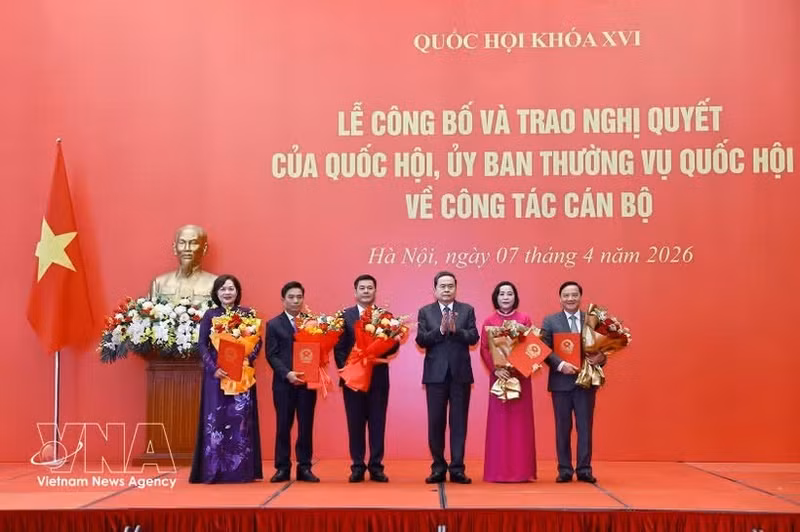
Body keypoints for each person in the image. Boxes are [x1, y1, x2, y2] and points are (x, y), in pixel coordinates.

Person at [189, 274, 263, 483]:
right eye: (223, 289)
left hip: (242, 376)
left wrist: (247, 359)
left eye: (231, 288)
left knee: (241, 420)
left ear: (237, 292)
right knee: (217, 420)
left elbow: (257, 342)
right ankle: (215, 471)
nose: (227, 292)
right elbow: (202, 345)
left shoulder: (247, 314)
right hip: (217, 377)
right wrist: (213, 368)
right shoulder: (210, 315)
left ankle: (240, 471)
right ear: (216, 293)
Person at [333, 274, 398, 483]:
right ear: (355, 292)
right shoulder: (345, 316)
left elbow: (392, 347)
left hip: (378, 378)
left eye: (370, 288)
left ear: (375, 291)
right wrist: (348, 369)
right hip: (352, 379)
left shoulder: (385, 316)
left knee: (378, 422)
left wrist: (392, 340)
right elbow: (338, 348)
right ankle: (358, 466)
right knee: (355, 423)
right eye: (362, 288)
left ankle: (376, 467)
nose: (366, 291)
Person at [416, 271, 479, 484]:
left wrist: (456, 331)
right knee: (436, 422)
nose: (446, 289)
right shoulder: (425, 311)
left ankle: (457, 468)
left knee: (459, 423)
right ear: (435, 289)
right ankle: (438, 467)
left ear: (456, 288)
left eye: (450, 286)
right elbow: (421, 340)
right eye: (442, 286)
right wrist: (441, 330)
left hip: (460, 375)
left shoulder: (467, 310)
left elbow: (474, 337)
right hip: (435, 376)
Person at [541, 281, 606, 484]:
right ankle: (565, 470)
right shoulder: (550, 321)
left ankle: (584, 469)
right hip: (561, 383)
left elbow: (603, 347)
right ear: (560, 299)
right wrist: (561, 365)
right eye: (566, 295)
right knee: (563, 428)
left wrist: (601, 357)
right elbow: (544, 349)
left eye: (574, 295)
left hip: (586, 383)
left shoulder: (592, 320)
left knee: (585, 427)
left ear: (580, 297)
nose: (570, 298)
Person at [479, 281, 537, 482]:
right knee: (499, 424)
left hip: (520, 377)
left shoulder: (524, 319)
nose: (505, 297)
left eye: (509, 293)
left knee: (521, 425)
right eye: (502, 293)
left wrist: (517, 367)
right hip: (499, 378)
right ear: (496, 297)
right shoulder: (489, 321)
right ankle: (497, 471)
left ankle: (522, 471)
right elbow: (484, 348)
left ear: (515, 297)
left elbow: (531, 346)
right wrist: (497, 369)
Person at [266, 281, 319, 482]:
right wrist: (287, 373)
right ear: (283, 300)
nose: (296, 301)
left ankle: (305, 467)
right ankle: (282, 468)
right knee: (283, 426)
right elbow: (271, 355)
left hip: (307, 383)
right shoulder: (273, 324)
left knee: (306, 426)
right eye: (291, 297)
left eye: (299, 297)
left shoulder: (312, 323)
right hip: (283, 384)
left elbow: (318, 350)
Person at [150, 224, 218, 304]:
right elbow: (149, 310)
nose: (187, 248)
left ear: (204, 249)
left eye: (193, 243)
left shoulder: (216, 283)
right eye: (182, 243)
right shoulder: (159, 283)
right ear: (175, 248)